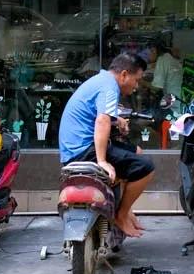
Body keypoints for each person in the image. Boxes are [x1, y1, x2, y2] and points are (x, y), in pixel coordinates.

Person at [59, 52, 154, 237]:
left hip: (73, 149)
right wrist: (101, 160)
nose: (136, 86)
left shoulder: (102, 80)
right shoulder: (110, 87)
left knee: (137, 152)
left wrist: (116, 119)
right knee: (146, 167)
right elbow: (102, 120)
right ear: (124, 74)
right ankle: (121, 215)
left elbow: (98, 113)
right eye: (136, 80)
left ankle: (125, 209)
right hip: (84, 151)